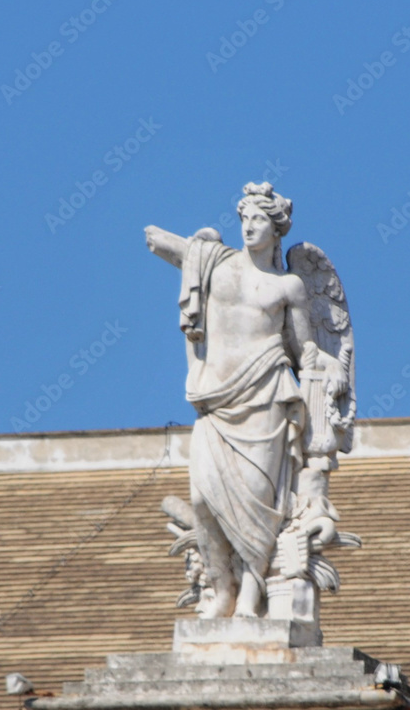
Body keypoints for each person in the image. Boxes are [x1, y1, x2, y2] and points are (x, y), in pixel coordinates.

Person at [145, 183, 345, 618]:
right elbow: (179, 251)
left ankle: (250, 595)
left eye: (259, 219)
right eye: (244, 218)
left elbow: (301, 349)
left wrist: (328, 364)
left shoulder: (289, 286)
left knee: (259, 501)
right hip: (216, 400)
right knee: (203, 500)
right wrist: (163, 240)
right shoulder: (216, 265)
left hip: (267, 396)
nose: (249, 227)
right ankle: (221, 588)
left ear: (277, 229)